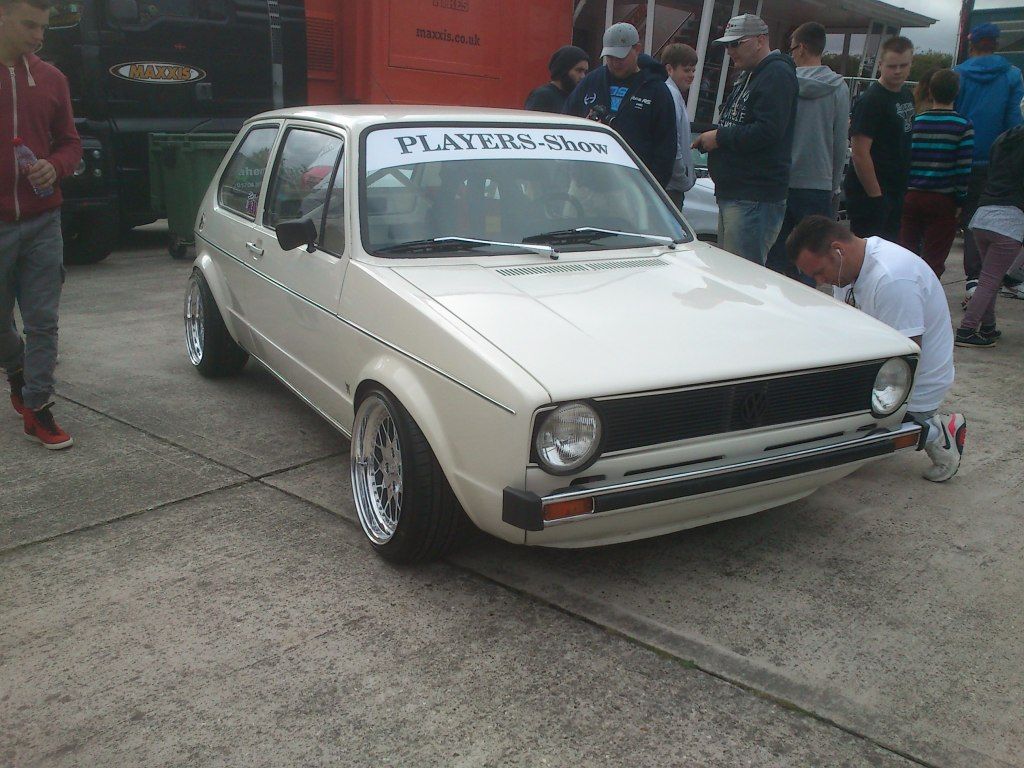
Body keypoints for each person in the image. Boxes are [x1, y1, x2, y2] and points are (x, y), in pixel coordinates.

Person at [786, 216, 965, 482]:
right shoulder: (848, 270)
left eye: (819, 272)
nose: (821, 280)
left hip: (913, 385)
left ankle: (937, 431)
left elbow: (905, 362)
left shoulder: (894, 279)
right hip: (881, 363)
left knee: (840, 443)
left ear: (838, 250)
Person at [0, 0, 82, 449]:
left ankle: (38, 407)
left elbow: (71, 143)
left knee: (43, 321)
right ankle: (16, 369)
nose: (38, 36)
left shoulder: (52, 79)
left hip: (42, 220)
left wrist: (56, 165)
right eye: (29, 25)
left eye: (43, 28)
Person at [692, 14, 797, 265]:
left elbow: (768, 131)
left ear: (761, 40)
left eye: (736, 44)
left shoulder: (777, 74)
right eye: (727, 45)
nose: (729, 51)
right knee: (730, 273)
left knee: (742, 277)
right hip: (739, 193)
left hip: (753, 196)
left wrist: (719, 137)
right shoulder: (752, 73)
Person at [765, 21, 849, 280]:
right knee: (813, 261)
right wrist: (834, 184)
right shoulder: (839, 88)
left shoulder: (783, 82)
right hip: (818, 185)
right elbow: (840, 140)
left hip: (780, 180)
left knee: (776, 259)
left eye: (791, 49)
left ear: (801, 47)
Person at [953, 23, 1024, 303]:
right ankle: (1002, 275)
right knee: (1002, 220)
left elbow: (955, 111)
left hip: (962, 155)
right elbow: (1013, 121)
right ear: (996, 43)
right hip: (997, 160)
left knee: (970, 219)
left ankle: (973, 278)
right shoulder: (1011, 75)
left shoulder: (958, 74)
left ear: (972, 44)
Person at [564, 22, 677, 187]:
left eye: (621, 57)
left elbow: (666, 147)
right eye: (610, 57)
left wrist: (652, 188)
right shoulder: (592, 81)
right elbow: (567, 119)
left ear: (637, 49)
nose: (615, 63)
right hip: (585, 181)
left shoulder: (656, 90)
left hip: (632, 186)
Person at [898, 69, 974, 279]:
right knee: (934, 259)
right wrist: (960, 200)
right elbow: (963, 168)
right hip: (943, 199)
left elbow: (905, 159)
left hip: (912, 195)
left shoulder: (916, 122)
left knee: (906, 254)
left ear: (930, 91)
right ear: (956, 93)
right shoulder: (963, 126)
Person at [955, 123, 1024, 347]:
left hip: (982, 215)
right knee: (990, 280)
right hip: (1009, 220)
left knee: (989, 277)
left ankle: (988, 326)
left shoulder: (1003, 138)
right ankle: (966, 330)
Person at [844, 36, 916, 241]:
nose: (898, 71)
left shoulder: (906, 95)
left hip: (897, 189)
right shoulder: (872, 100)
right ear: (881, 65)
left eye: (903, 65)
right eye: (892, 66)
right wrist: (876, 197)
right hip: (871, 195)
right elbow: (860, 153)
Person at [660, 43, 697, 209]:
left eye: (693, 70)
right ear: (669, 69)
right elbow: (673, 143)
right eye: (686, 70)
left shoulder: (673, 95)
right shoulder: (671, 96)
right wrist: (683, 178)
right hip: (671, 188)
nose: (691, 75)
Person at [524, 46, 589, 114]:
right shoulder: (542, 96)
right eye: (578, 71)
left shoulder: (576, 98)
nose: (583, 76)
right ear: (563, 70)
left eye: (585, 72)